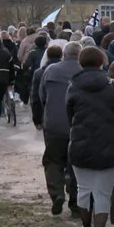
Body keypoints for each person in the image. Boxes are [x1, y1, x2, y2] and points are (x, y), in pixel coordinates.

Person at [66, 46, 114, 227]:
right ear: (102, 61)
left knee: (83, 190)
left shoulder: (73, 86)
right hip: (108, 144)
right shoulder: (112, 85)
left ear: (81, 63)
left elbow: (69, 116)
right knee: (102, 193)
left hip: (80, 144)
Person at [38, 41, 83, 217]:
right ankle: (75, 203)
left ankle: (57, 193)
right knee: (76, 164)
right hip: (77, 126)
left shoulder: (50, 70)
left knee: (52, 160)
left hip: (54, 125)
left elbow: (42, 96)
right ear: (80, 55)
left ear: (64, 55)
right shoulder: (83, 72)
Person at [30, 45, 63, 129]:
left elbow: (35, 97)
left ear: (47, 56)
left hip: (45, 115)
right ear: (61, 55)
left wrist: (36, 120)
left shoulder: (39, 73)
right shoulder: (66, 72)